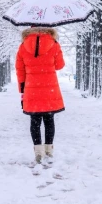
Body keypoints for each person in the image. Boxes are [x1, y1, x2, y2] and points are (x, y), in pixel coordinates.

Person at [15, 27, 65, 164]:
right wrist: (56, 48)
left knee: (35, 121)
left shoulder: (23, 46)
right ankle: (49, 150)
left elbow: (20, 70)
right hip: (50, 89)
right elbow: (60, 65)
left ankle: (38, 152)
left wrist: (22, 90)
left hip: (32, 89)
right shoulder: (54, 44)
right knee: (49, 120)